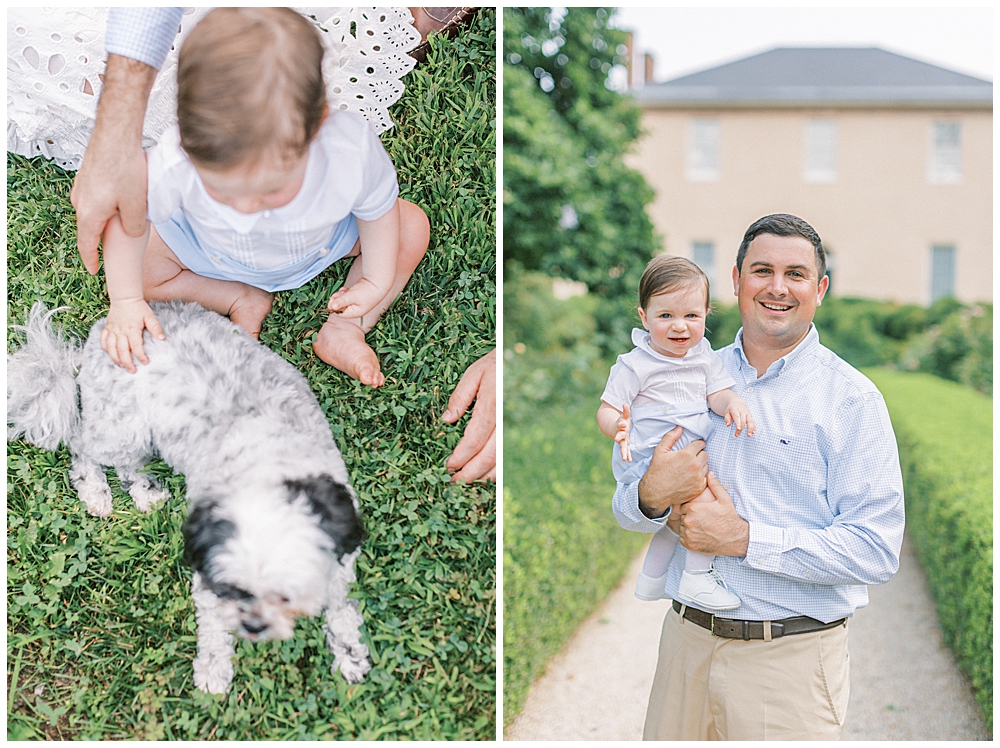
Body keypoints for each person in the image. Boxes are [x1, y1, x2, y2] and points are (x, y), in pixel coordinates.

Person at [65, 7, 494, 482]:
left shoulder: (348, 148)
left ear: (320, 125)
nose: (250, 208)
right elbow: (129, 220)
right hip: (211, 253)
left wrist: (373, 279)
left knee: (410, 226)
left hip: (321, 243)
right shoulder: (172, 163)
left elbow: (376, 210)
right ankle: (235, 295)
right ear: (187, 136)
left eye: (272, 188)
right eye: (225, 189)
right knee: (141, 269)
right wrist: (125, 301)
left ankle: (347, 327)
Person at [613, 214, 904, 740]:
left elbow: (876, 549)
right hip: (685, 644)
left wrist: (745, 539)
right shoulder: (681, 374)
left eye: (796, 274)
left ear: (820, 288)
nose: (777, 287)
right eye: (762, 270)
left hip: (789, 662)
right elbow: (625, 502)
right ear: (736, 280)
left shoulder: (853, 400)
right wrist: (650, 496)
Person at [597, 256, 754, 610]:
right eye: (666, 316)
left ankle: (651, 581)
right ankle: (697, 578)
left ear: (706, 313)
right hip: (652, 453)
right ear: (644, 317)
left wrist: (733, 403)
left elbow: (717, 394)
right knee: (702, 503)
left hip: (689, 445)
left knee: (674, 519)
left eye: (691, 316)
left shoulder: (704, 356)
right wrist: (617, 426)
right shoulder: (634, 364)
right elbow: (608, 407)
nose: (679, 327)